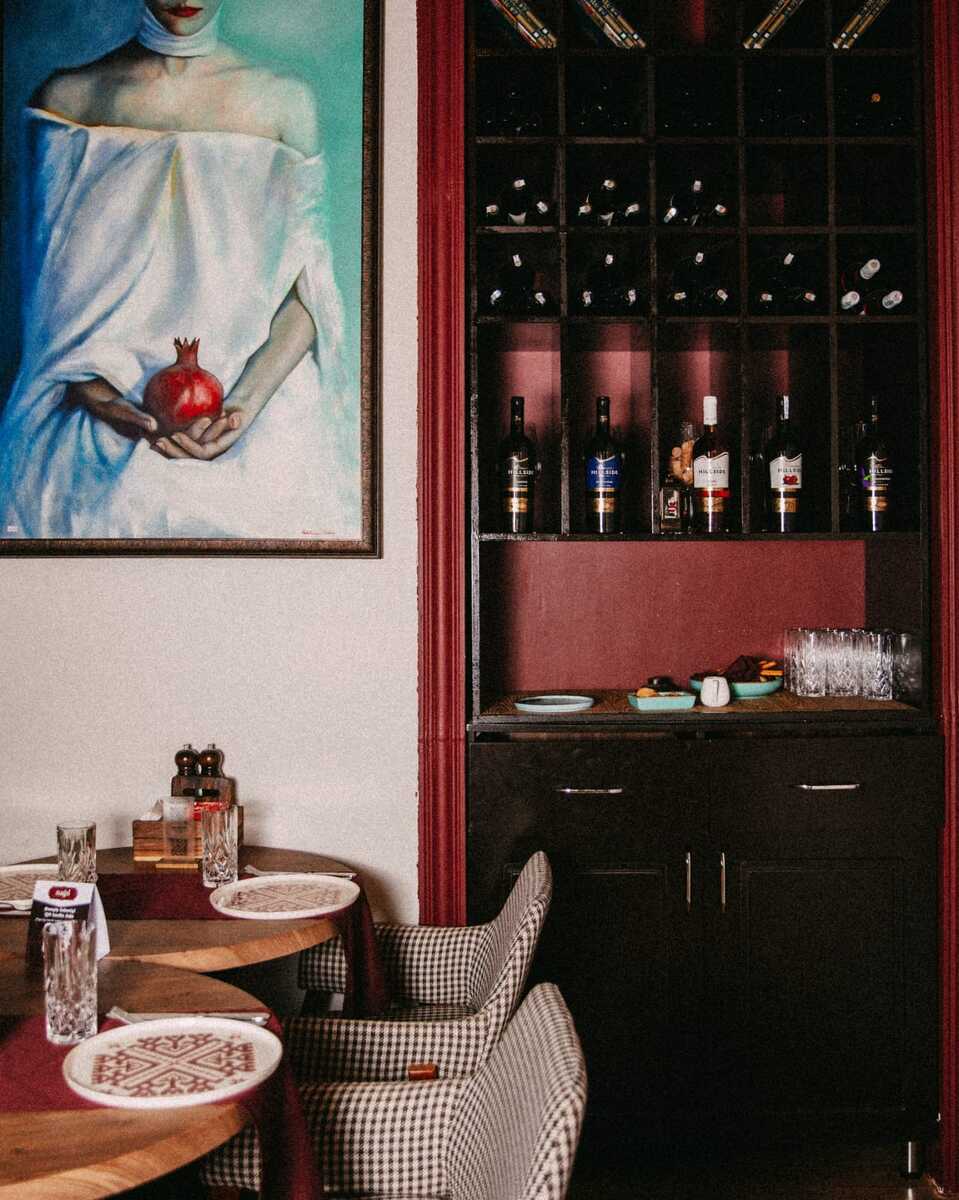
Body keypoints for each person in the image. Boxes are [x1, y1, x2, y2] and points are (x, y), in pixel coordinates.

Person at [0, 0, 359, 540]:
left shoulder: (284, 102)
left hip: (260, 417)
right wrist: (103, 400)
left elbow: (308, 294)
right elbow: (46, 308)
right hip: (97, 426)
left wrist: (242, 407)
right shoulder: (67, 100)